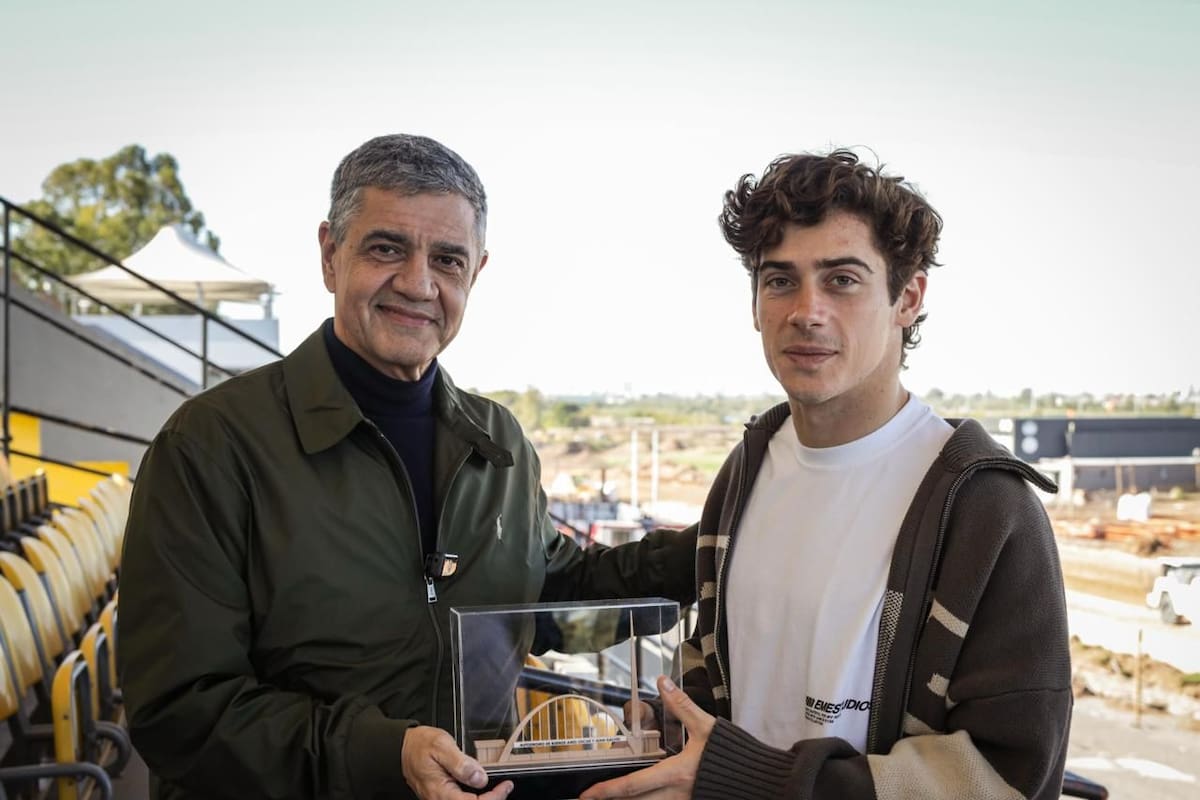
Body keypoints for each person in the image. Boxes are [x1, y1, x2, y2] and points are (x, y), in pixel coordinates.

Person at [117, 134, 697, 800]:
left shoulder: (498, 442)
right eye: (387, 249)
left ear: (476, 273)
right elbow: (180, 709)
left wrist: (708, 555)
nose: (419, 284)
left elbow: (551, 600)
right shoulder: (212, 446)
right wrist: (384, 754)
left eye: (447, 259)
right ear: (330, 254)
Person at [582, 150, 1071, 800]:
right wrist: (671, 733)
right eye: (780, 280)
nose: (806, 311)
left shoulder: (984, 509)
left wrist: (748, 781)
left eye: (842, 280)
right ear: (755, 303)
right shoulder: (746, 471)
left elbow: (1006, 778)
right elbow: (727, 680)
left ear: (907, 298)